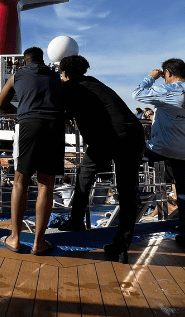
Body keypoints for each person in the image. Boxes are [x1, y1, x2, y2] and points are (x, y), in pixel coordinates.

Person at [56, 55, 145, 261]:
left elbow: (58, 108)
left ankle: (76, 220)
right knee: (126, 190)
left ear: (65, 73)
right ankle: (122, 246)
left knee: (85, 174)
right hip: (133, 134)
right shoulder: (95, 82)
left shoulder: (70, 87)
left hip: (108, 138)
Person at [133, 58, 185, 252]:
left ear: (167, 73)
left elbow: (137, 94)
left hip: (164, 148)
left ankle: (131, 205)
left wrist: (150, 78)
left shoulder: (168, 89)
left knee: (130, 157)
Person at [0, 46, 62, 256]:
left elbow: (1, 102)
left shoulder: (18, 74)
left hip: (28, 124)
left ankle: (15, 239)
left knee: (20, 180)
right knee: (46, 184)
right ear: (43, 61)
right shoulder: (55, 76)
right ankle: (39, 243)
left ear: (25, 61)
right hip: (54, 125)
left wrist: (20, 111)